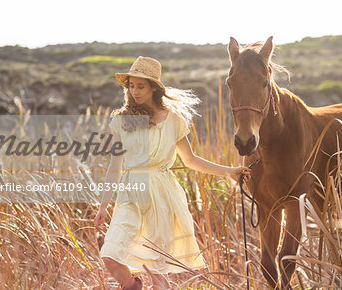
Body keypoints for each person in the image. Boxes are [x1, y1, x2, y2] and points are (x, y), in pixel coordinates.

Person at [94, 56, 251, 290]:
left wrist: (229, 171)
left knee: (158, 269)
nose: (134, 91)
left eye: (141, 86)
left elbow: (190, 160)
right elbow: (114, 167)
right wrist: (103, 206)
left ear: (154, 88)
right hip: (131, 193)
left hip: (163, 193)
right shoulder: (122, 120)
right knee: (110, 254)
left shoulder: (174, 119)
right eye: (131, 85)